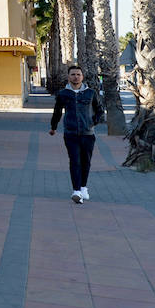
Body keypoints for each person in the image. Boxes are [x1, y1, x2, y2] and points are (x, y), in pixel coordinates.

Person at [49, 64, 104, 204]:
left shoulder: (90, 93)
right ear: (68, 77)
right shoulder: (63, 94)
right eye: (73, 74)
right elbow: (57, 112)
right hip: (70, 133)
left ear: (82, 77)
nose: (76, 77)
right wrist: (53, 127)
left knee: (86, 161)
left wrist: (93, 122)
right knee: (75, 161)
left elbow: (99, 110)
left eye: (78, 74)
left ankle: (83, 188)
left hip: (88, 134)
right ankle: (76, 191)